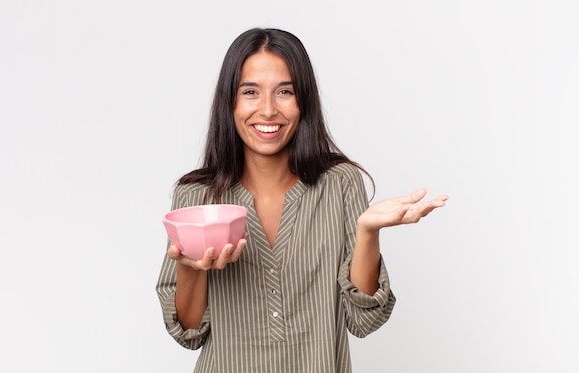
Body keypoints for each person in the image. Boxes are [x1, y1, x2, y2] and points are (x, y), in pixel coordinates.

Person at [156, 27, 448, 373]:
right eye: (250, 92)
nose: (267, 110)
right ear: (229, 102)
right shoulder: (196, 196)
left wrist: (367, 232)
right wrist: (190, 268)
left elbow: (364, 320)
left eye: (285, 92)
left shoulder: (340, 184)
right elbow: (188, 332)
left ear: (303, 100)